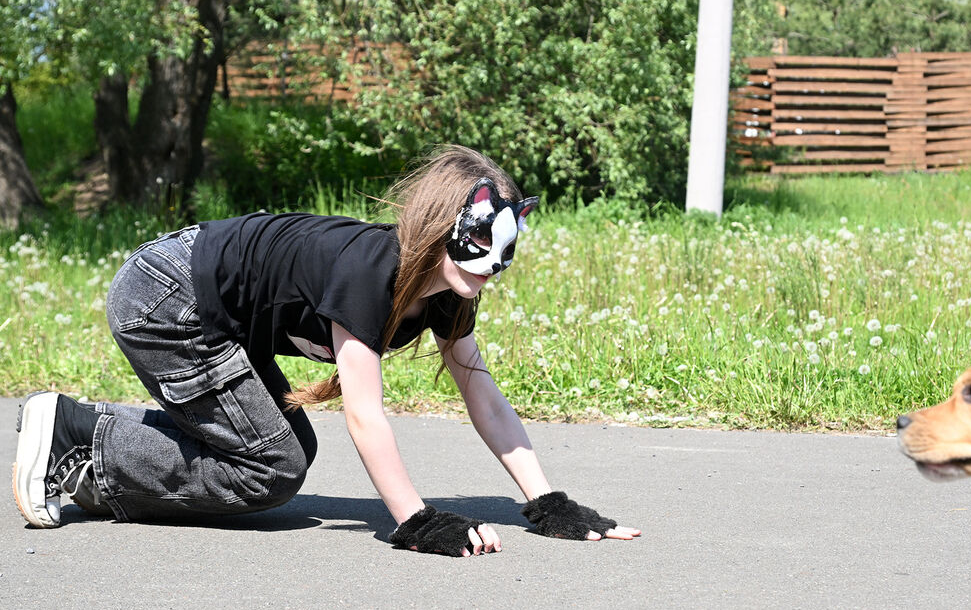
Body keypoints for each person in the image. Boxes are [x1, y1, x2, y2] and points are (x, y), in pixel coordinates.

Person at [11, 145, 639, 556]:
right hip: (168, 297)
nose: (490, 269)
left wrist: (546, 502)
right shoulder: (372, 275)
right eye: (479, 245)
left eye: (503, 253)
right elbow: (365, 415)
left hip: (204, 304)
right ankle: (75, 434)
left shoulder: (449, 286)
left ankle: (91, 451)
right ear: (440, 227)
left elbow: (482, 391)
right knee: (273, 465)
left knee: (289, 449)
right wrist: (414, 519)